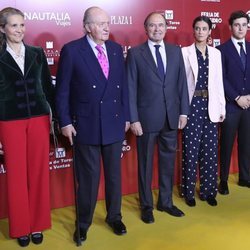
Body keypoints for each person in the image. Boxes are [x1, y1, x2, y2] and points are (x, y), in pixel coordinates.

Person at [55, 6, 130, 243]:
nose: (107, 27)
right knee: (87, 179)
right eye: (100, 23)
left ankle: (114, 216)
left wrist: (126, 116)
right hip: (85, 125)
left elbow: (124, 87)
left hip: (114, 123)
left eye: (107, 23)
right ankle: (83, 222)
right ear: (87, 27)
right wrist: (65, 121)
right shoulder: (72, 51)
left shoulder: (117, 50)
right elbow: (62, 90)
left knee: (114, 177)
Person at [126, 12, 189, 224]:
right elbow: (130, 88)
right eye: (152, 26)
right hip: (145, 120)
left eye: (161, 25)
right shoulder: (135, 54)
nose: (157, 29)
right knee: (144, 165)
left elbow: (181, 84)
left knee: (168, 163)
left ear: (166, 27)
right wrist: (133, 119)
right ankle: (146, 206)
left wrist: (183, 112)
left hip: (171, 118)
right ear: (146, 29)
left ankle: (165, 202)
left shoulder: (175, 52)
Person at [0, 7, 54, 247]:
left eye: (22, 25)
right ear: (2, 29)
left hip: (39, 120)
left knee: (39, 172)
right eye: (13, 25)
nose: (19, 30)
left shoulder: (36, 53)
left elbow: (48, 88)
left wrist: (58, 120)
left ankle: (39, 223)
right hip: (9, 122)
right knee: (17, 176)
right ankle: (21, 227)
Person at [181, 16, 226, 207]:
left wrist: (222, 107)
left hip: (211, 105)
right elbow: (182, 85)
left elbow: (219, 83)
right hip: (192, 105)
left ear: (209, 32)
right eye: (197, 28)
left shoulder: (216, 54)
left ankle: (208, 191)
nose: (200, 31)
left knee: (209, 151)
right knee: (190, 151)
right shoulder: (184, 52)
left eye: (204, 28)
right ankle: (188, 192)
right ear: (193, 30)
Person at [217, 10, 250, 195]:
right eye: (237, 25)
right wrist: (237, 97)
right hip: (231, 106)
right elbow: (221, 79)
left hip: (249, 106)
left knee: (246, 143)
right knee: (227, 144)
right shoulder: (222, 50)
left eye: (244, 25)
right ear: (231, 27)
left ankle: (245, 177)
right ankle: (223, 180)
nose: (241, 28)